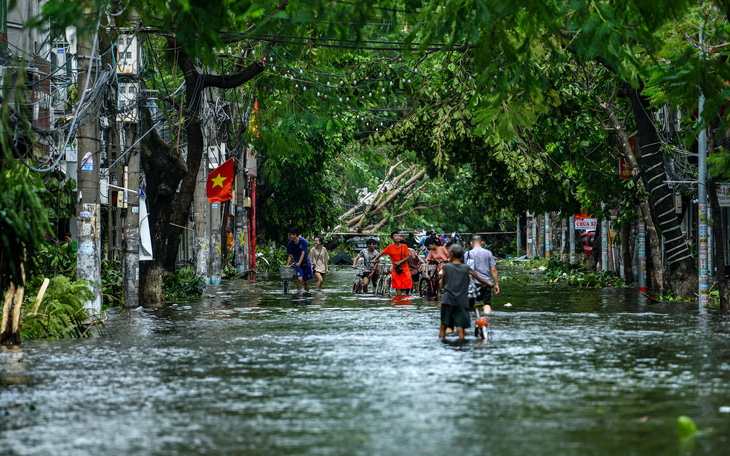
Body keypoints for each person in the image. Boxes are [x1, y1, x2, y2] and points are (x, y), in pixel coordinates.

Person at [439, 244, 493, 341]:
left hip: (448, 300)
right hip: (462, 301)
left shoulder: (446, 267)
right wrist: (489, 284)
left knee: (444, 326)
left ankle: (442, 342)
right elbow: (480, 279)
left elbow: (442, 284)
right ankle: (462, 345)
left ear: (451, 254)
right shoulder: (466, 268)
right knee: (460, 328)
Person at [466, 235, 500, 315]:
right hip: (485, 283)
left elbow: (465, 270)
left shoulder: (467, 254)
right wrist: (496, 284)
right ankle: (487, 321)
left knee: (471, 307)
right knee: (486, 304)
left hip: (472, 284)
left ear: (471, 243)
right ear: (482, 243)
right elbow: (493, 269)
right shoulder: (488, 253)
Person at [372, 231, 412, 296]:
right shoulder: (390, 247)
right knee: (398, 287)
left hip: (405, 269)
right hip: (396, 269)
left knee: (407, 286)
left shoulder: (404, 246)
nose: (398, 237)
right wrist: (374, 259)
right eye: (395, 236)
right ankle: (399, 300)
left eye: (398, 236)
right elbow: (381, 253)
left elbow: (407, 257)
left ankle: (407, 296)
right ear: (392, 239)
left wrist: (400, 262)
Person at [286, 228, 313, 292]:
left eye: (290, 235)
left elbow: (303, 253)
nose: (289, 236)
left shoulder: (303, 241)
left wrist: (299, 262)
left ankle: (307, 294)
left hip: (305, 262)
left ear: (295, 235)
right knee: (299, 279)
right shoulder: (290, 244)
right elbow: (290, 256)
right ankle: (299, 294)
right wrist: (287, 266)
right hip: (297, 263)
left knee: (306, 281)